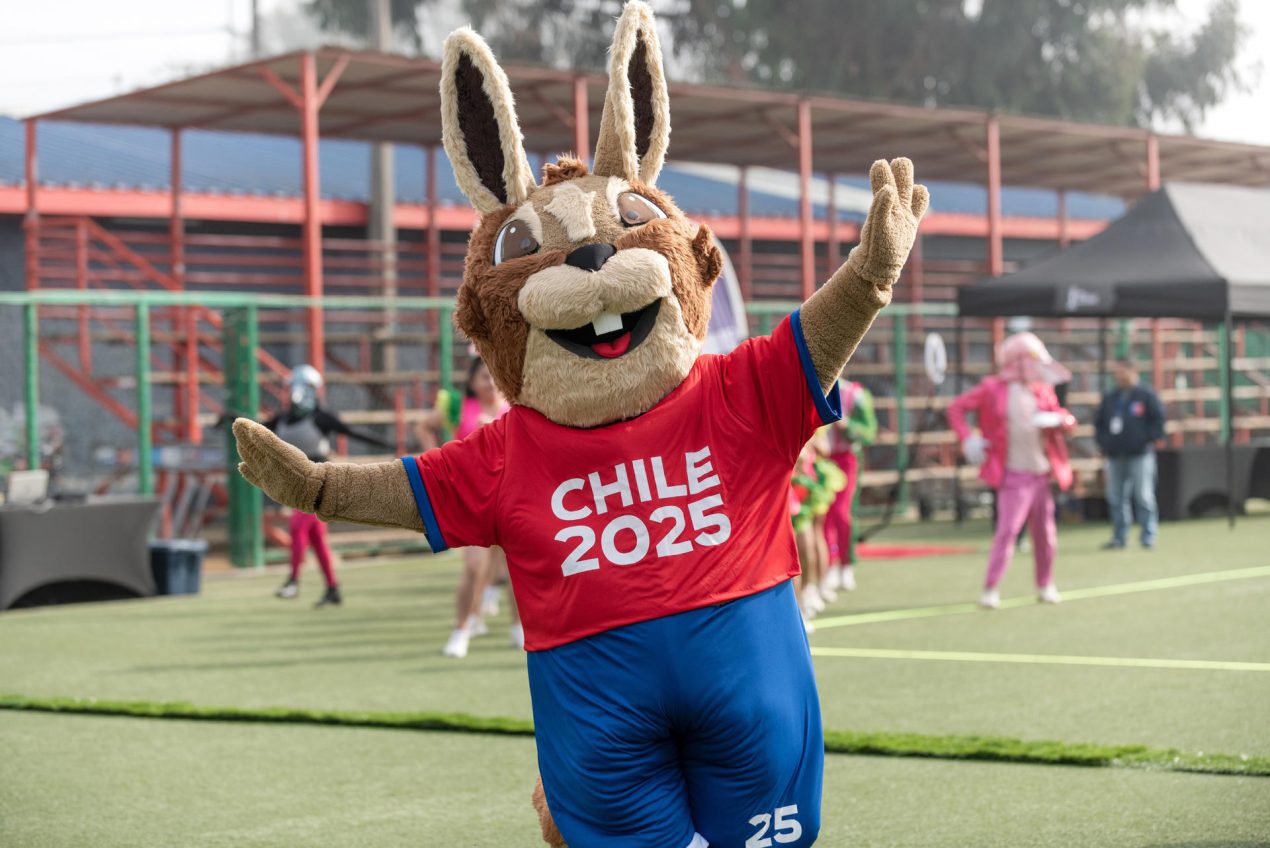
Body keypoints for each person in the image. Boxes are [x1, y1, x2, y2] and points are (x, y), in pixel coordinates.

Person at [947, 333, 1076, 609]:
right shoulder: (994, 388)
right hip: (1013, 474)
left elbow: (1067, 422)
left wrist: (1060, 419)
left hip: (1041, 473)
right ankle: (991, 587)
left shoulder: (1042, 389)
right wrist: (968, 437)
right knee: (1007, 532)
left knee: (1046, 536)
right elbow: (956, 408)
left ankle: (1045, 583)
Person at [416, 357, 517, 657]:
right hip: (474, 500)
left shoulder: (515, 408)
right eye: (483, 376)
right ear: (472, 382)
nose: (489, 381)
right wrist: (437, 462)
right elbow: (424, 427)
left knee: (515, 569)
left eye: (493, 375)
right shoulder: (460, 408)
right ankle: (461, 630)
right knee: (474, 568)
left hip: (511, 497)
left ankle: (518, 629)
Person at [265, 365, 389, 607]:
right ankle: (332, 589)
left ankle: (293, 581)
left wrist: (390, 442)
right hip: (299, 484)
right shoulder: (282, 419)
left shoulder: (321, 418)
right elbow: (255, 427)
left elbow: (352, 433)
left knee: (298, 526)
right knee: (316, 538)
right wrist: (231, 417)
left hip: (321, 482)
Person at [1095, 358, 1165, 549]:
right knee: (1116, 498)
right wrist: (1104, 443)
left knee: (1143, 496)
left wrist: (1146, 439)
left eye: (1121, 371)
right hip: (1115, 456)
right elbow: (1099, 423)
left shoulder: (1146, 394)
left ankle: (1148, 536)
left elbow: (1158, 419)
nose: (1117, 375)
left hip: (1140, 455)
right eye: (1115, 372)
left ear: (1132, 371)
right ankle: (1119, 537)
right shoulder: (1111, 396)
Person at [823, 379, 877, 593]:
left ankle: (846, 563)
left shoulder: (855, 394)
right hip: (821, 459)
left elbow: (869, 433)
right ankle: (830, 564)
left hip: (846, 459)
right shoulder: (811, 386)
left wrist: (847, 426)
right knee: (824, 516)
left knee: (841, 513)